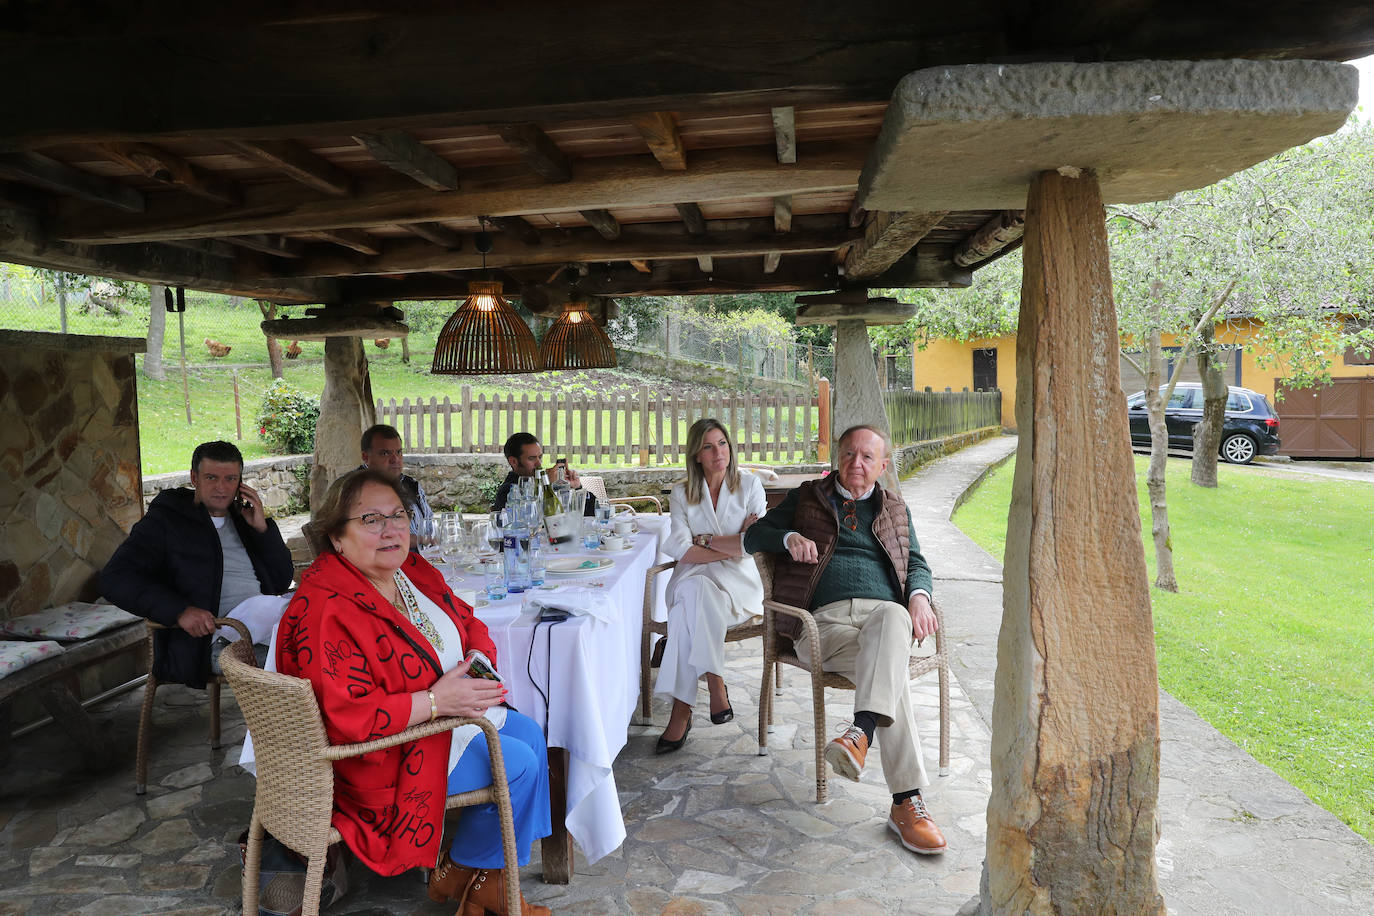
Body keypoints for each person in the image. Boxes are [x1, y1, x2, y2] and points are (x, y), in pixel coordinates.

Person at [275, 469, 552, 916]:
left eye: (398, 515)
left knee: (532, 736)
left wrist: (477, 659)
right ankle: (481, 878)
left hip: (438, 718)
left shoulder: (410, 571)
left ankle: (473, 878)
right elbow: (348, 719)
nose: (390, 529)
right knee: (517, 765)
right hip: (380, 756)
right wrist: (440, 702)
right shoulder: (328, 607)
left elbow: (468, 619)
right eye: (370, 519)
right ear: (337, 538)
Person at [743, 424, 947, 856]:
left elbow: (919, 565)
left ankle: (860, 733)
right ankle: (906, 803)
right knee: (893, 674)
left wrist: (920, 596)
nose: (857, 464)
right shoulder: (806, 497)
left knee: (894, 616)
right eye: (850, 455)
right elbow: (753, 537)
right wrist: (787, 536)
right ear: (838, 457)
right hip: (823, 625)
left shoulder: (895, 509)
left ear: (883, 465)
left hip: (882, 623)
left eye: (868, 457)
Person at [101, 440, 294, 688]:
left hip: (264, 627)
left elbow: (281, 580)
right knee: (295, 667)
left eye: (230, 479)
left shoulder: (242, 519)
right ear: (194, 477)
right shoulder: (167, 520)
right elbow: (114, 577)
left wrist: (262, 529)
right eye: (211, 478)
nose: (221, 488)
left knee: (324, 651)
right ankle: (280, 727)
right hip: (212, 641)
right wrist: (179, 611)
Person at [654, 418, 766, 754]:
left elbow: (757, 543)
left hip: (738, 586)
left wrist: (706, 541)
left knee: (687, 606)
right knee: (695, 592)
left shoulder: (750, 485)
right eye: (708, 446)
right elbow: (679, 547)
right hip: (695, 577)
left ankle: (681, 711)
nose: (718, 452)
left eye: (722, 443)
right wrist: (732, 544)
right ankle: (715, 682)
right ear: (696, 455)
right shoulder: (681, 493)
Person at [360, 423, 434, 548]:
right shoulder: (354, 489)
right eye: (385, 453)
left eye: (399, 452)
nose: (395, 459)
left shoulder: (412, 486)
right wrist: (422, 540)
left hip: (421, 562)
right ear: (365, 457)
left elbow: (429, 528)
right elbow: (371, 538)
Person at [491, 432, 595, 516]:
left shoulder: (548, 483)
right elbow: (529, 518)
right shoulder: (508, 491)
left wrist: (576, 488)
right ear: (514, 461)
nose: (539, 463)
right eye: (531, 458)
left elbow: (593, 511)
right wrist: (545, 484)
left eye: (540, 457)